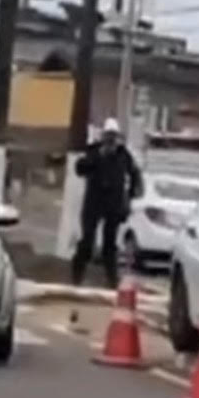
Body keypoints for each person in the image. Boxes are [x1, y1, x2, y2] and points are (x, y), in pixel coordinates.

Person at [72, 118, 142, 288]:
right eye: (108, 136)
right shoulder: (94, 151)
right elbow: (79, 168)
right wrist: (98, 156)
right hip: (93, 203)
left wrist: (130, 196)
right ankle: (76, 277)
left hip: (113, 205)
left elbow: (135, 174)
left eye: (113, 136)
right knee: (87, 241)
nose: (111, 140)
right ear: (102, 136)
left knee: (109, 245)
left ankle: (111, 281)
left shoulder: (123, 154)